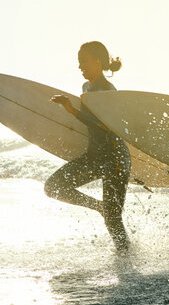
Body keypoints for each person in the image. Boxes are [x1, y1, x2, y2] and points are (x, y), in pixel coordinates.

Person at [45, 41, 131, 254]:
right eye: (79, 62)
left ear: (98, 62)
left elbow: (108, 128)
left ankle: (126, 262)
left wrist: (72, 111)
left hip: (115, 159)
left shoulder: (108, 91)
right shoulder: (87, 88)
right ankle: (98, 206)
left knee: (113, 220)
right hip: (95, 155)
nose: (80, 66)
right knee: (53, 187)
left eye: (84, 61)